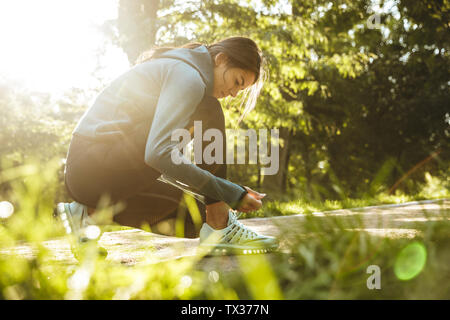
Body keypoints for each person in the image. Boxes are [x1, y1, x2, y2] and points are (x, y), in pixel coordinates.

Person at [56, 36, 278, 254]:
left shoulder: (184, 73)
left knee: (193, 217)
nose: (233, 93)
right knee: (211, 110)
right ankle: (220, 226)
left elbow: (161, 161)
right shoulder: (188, 76)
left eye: (240, 90)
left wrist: (221, 190)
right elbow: (158, 154)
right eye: (237, 82)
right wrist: (229, 192)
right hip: (91, 163)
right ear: (220, 59)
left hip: (92, 173)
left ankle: (86, 215)